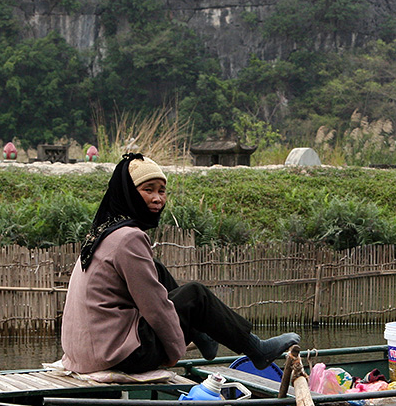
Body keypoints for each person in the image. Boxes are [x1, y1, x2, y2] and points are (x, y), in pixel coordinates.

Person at [61, 152, 299, 374]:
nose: (157, 198)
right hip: (117, 355)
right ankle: (256, 350)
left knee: (156, 270)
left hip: (83, 353)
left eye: (162, 191)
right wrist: (175, 351)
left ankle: (203, 335)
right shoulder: (128, 238)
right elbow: (155, 305)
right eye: (148, 190)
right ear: (129, 193)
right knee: (195, 295)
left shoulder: (102, 233)